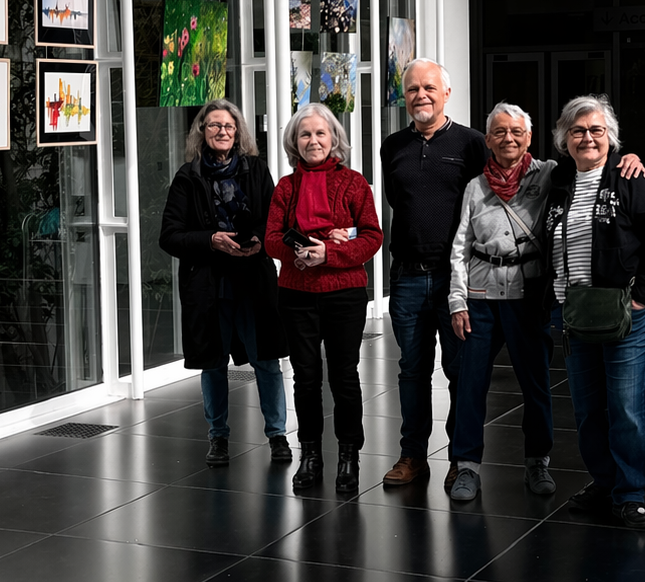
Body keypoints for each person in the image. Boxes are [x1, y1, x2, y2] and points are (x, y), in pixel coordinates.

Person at [446, 103, 645, 502]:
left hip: (530, 297)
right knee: (469, 387)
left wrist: (629, 158)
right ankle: (466, 466)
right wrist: (457, 299)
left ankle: (538, 461)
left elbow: (595, 160)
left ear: (529, 138)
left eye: (516, 132)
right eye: (499, 132)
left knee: (536, 386)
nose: (508, 139)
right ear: (488, 140)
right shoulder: (475, 186)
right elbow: (460, 247)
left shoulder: (552, 174)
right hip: (482, 297)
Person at [543, 94, 645, 530]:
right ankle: (604, 481)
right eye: (578, 130)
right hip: (575, 312)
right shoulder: (557, 182)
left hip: (625, 312)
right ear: (565, 138)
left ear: (611, 137)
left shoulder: (629, 176)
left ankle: (630, 493)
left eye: (597, 130)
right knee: (587, 407)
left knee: (626, 406)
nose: (588, 138)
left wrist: (643, 297)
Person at [159, 99, 289, 467]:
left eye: (228, 127)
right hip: (210, 287)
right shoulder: (188, 176)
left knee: (266, 361)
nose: (222, 132)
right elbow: (169, 236)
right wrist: (210, 239)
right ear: (202, 132)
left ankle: (277, 435)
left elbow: (274, 220)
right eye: (214, 125)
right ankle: (218, 438)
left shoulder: (256, 170)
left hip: (253, 282)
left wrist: (262, 241)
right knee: (212, 364)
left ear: (238, 133)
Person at [378, 59, 488, 489]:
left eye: (428, 88)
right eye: (411, 90)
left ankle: (462, 459)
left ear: (446, 93)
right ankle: (413, 456)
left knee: (461, 371)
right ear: (403, 97)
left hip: (454, 278)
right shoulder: (393, 146)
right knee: (411, 370)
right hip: (406, 276)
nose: (420, 95)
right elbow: (397, 200)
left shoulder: (471, 143)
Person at [265, 103, 383, 494]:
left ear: (334, 139)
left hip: (344, 294)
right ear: (294, 143)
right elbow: (270, 240)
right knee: (306, 378)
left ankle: (349, 456)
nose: (313, 140)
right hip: (296, 295)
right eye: (304, 134)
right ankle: (310, 455)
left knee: (344, 377)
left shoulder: (354, 183)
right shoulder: (285, 186)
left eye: (320, 133)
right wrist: (299, 252)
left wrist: (330, 253)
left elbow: (372, 237)